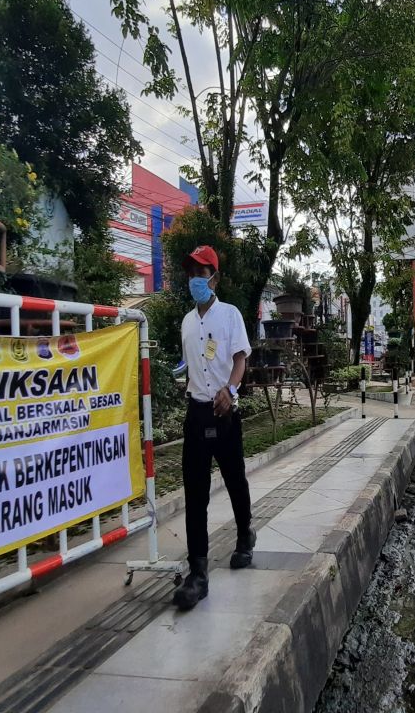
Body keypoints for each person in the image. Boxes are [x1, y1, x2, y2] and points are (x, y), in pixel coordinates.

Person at [172, 245, 255, 611]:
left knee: (235, 478)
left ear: (215, 278)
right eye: (190, 273)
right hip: (197, 414)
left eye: (201, 273)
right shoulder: (187, 323)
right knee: (195, 494)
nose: (195, 279)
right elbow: (191, 367)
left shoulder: (230, 315)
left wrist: (231, 391)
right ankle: (198, 574)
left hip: (225, 412)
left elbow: (240, 360)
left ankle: (244, 536)